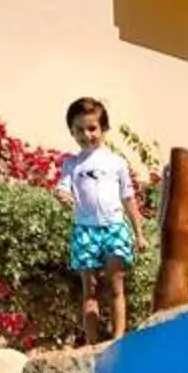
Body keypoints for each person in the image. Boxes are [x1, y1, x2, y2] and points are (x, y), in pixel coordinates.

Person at [56, 97, 137, 346]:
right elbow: (63, 188)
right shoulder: (72, 164)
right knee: (89, 290)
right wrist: (63, 196)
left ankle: (118, 339)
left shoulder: (116, 163)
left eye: (91, 128)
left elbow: (128, 198)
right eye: (79, 129)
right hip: (85, 230)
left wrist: (139, 232)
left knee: (115, 284)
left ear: (103, 129)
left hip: (114, 227)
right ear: (71, 131)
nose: (86, 135)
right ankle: (91, 345)